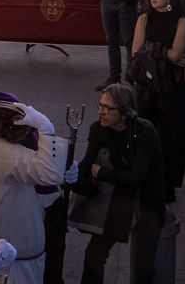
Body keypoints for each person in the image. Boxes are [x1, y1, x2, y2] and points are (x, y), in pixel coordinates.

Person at [0, 98, 64, 284]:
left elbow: (38, 185)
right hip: (13, 268)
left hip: (18, 261)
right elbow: (49, 174)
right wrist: (45, 128)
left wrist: (65, 167)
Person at [70, 82, 165, 284]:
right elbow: (87, 167)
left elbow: (137, 178)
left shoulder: (145, 132)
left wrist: (103, 173)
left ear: (124, 112)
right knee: (94, 255)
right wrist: (71, 178)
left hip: (146, 201)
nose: (101, 112)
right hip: (117, 200)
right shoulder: (99, 129)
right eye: (100, 105)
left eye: (108, 108)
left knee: (143, 266)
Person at [131, 0, 185, 196]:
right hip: (148, 85)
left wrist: (153, 51)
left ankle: (168, 184)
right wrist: (163, 52)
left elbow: (178, 54)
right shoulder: (144, 20)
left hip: (173, 86)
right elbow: (136, 52)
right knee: (146, 132)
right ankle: (145, 178)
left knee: (172, 136)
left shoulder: (181, 22)